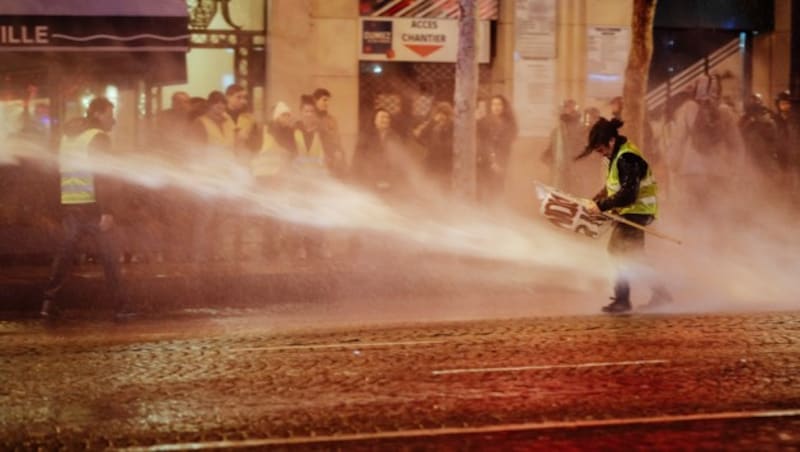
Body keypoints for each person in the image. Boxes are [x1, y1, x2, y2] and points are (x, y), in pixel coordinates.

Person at [41, 97, 131, 320]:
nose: (114, 120)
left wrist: (53, 208)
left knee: (64, 255)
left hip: (71, 204)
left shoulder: (68, 137)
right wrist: (107, 210)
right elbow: (102, 176)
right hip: (93, 207)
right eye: (111, 114)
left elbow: (55, 172)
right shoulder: (98, 137)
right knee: (110, 256)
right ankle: (120, 307)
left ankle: (48, 303)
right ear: (98, 114)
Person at [580, 117, 672, 314]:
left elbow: (628, 194)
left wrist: (601, 206)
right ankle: (658, 293)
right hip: (632, 211)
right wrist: (597, 199)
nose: (600, 154)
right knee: (631, 254)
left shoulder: (627, 158)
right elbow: (614, 186)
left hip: (637, 211)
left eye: (601, 149)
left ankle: (624, 300)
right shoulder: (617, 156)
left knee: (620, 251)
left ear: (611, 141)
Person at [251, 101, 297, 259]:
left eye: (289, 115)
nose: (288, 118)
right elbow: (254, 151)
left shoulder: (288, 132)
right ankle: (267, 247)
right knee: (268, 215)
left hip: (279, 178)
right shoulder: (264, 130)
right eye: (284, 115)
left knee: (275, 214)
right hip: (264, 178)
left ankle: (272, 247)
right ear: (277, 116)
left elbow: (292, 154)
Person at [542, 99, 589, 194]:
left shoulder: (580, 128)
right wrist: (548, 154)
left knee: (572, 190)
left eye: (571, 108)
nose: (568, 110)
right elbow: (554, 145)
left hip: (573, 166)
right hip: (560, 167)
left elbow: (582, 146)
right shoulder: (557, 130)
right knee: (560, 188)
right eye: (566, 108)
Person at [476, 95, 518, 203]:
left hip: (501, 160)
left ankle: (496, 213)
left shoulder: (509, 123)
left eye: (499, 104)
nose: (496, 107)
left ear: (504, 106)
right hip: (484, 160)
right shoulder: (483, 121)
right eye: (494, 104)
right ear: (490, 106)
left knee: (497, 189)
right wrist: (491, 160)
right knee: (483, 188)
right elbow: (482, 141)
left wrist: (498, 162)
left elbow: (506, 143)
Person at [413, 101, 454, 191]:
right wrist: (431, 122)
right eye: (439, 114)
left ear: (448, 116)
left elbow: (449, 145)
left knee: (443, 188)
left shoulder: (451, 127)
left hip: (445, 164)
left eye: (444, 115)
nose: (441, 117)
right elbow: (419, 136)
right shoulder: (432, 125)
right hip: (431, 162)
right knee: (429, 187)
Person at [312, 88, 346, 178]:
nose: (327, 103)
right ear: (315, 100)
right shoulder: (310, 118)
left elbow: (337, 139)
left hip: (330, 160)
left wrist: (338, 151)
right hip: (313, 159)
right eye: (324, 100)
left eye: (328, 101)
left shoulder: (331, 120)